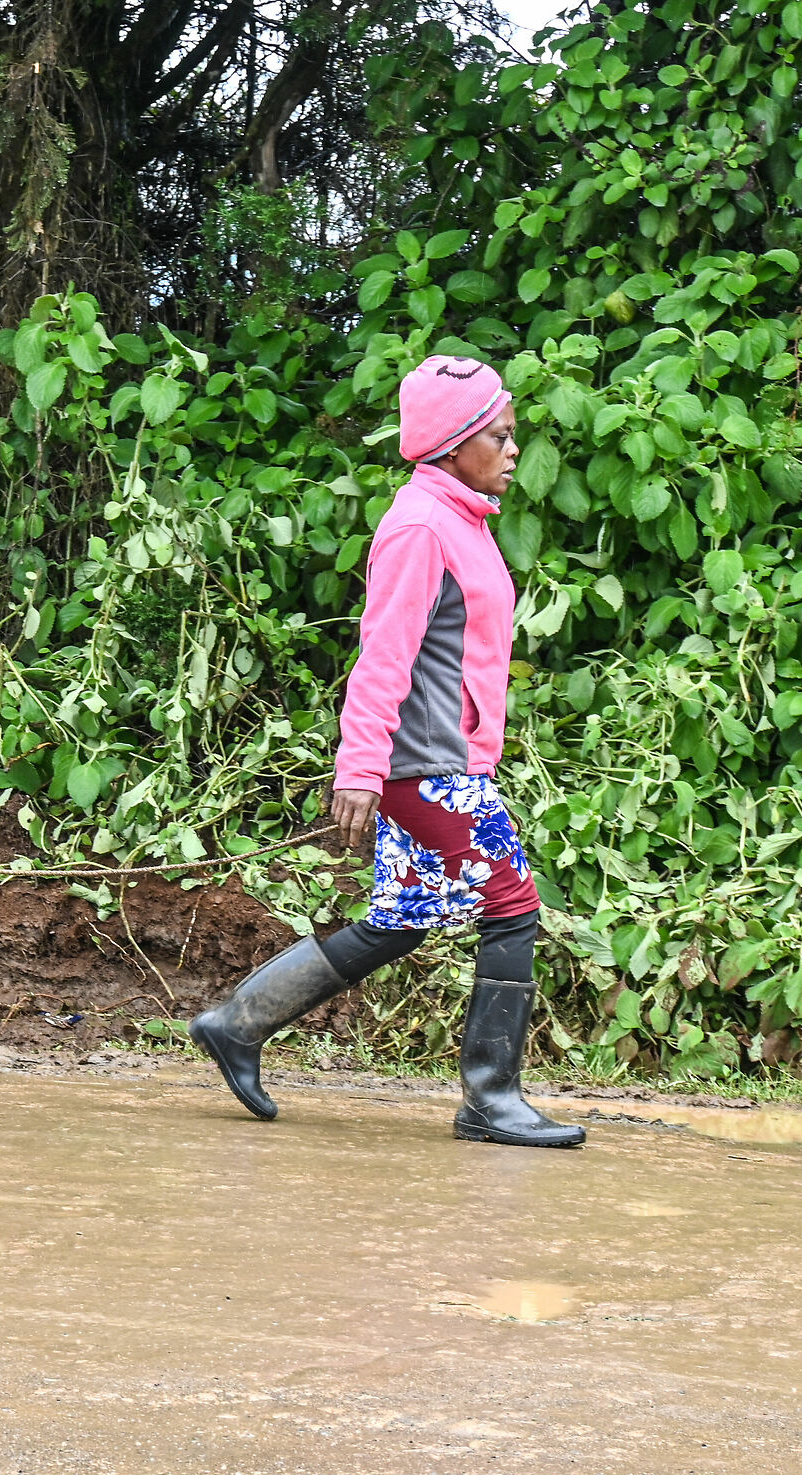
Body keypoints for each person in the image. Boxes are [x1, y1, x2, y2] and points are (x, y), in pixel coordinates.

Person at [189, 355, 584, 1148]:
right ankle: (489, 1099)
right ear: (454, 445)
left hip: (446, 760)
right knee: (513, 908)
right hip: (424, 766)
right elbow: (382, 656)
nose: (514, 450)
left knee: (405, 917)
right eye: (500, 436)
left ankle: (238, 1023)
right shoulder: (418, 528)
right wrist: (360, 769)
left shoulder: (461, 522)